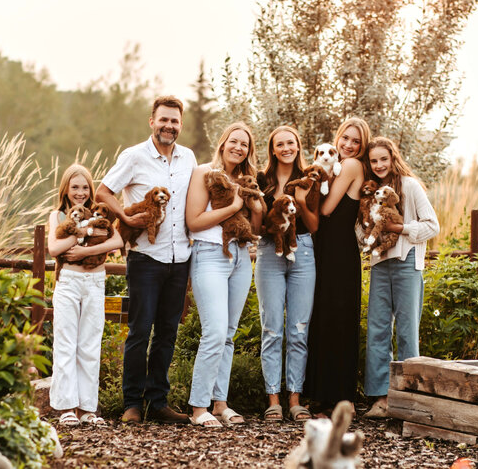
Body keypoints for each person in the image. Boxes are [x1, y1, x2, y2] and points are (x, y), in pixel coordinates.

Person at [95, 95, 197, 424]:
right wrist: (125, 214)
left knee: (167, 333)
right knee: (140, 331)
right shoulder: (134, 156)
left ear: (180, 125)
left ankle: (158, 402)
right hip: (145, 259)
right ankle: (132, 404)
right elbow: (103, 191)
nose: (169, 126)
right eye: (163, 120)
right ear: (151, 122)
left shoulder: (189, 159)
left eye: (175, 121)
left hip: (180, 258)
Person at [185, 122, 263, 427]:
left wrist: (255, 207)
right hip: (209, 255)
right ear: (223, 143)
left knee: (228, 334)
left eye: (244, 144)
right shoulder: (203, 173)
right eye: (234, 141)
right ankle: (198, 408)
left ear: (248, 151)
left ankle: (220, 403)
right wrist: (234, 205)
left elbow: (255, 230)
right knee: (215, 332)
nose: (238, 148)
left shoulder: (247, 181)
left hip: (241, 257)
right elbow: (194, 221)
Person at [362, 136, 439, 418]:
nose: (379, 165)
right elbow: (365, 225)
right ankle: (381, 398)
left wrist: (400, 228)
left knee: (407, 330)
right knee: (378, 329)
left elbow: (432, 225)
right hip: (380, 263)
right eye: (374, 161)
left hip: (407, 264)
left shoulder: (410, 185)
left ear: (393, 158)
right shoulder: (371, 190)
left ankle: (409, 398)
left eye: (384, 159)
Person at [47, 163, 124, 427]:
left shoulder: (99, 215)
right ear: (66, 189)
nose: (80, 193)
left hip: (94, 280)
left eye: (85, 187)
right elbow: (54, 247)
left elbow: (117, 241)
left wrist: (83, 250)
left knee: (90, 344)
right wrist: (83, 234)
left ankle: (87, 408)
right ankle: (66, 407)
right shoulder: (57, 216)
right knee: (66, 342)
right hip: (68, 281)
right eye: (75, 187)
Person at [304, 118, 370, 417]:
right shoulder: (333, 163)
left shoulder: (353, 166)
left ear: (362, 145)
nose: (348, 145)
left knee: (338, 321)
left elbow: (327, 208)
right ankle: (320, 396)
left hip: (340, 254)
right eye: (345, 138)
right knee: (321, 318)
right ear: (337, 137)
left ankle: (340, 398)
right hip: (323, 249)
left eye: (356, 141)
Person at [255, 126, 319, 423]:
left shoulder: (309, 178)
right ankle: (273, 400)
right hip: (269, 252)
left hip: (303, 250)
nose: (285, 148)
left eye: (290, 143)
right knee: (271, 328)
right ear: (272, 149)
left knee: (299, 328)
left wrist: (303, 200)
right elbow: (256, 224)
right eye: (279, 144)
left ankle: (295, 399)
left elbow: (315, 225)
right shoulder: (261, 180)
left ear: (298, 146)